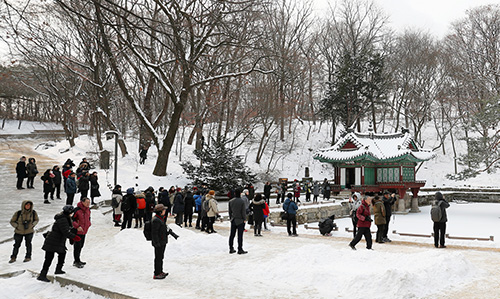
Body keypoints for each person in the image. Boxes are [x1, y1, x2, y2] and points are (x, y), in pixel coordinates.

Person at [37, 205, 80, 282]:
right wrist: (74, 237)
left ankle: (58, 270)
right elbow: (65, 231)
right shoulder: (63, 219)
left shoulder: (65, 218)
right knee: (49, 258)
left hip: (58, 240)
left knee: (62, 254)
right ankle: (42, 275)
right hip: (53, 240)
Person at [151, 204, 178, 279]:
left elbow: (162, 230)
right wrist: (156, 243)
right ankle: (156, 273)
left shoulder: (160, 218)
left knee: (160, 257)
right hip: (159, 242)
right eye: (163, 210)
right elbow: (155, 233)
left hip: (162, 241)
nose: (165, 211)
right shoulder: (156, 220)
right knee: (158, 258)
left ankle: (160, 271)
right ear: (160, 212)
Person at [72, 197, 91, 268]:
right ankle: (76, 261)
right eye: (86, 202)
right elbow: (72, 220)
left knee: (81, 246)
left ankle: (78, 259)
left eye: (89, 202)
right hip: (77, 231)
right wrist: (77, 226)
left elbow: (88, 218)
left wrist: (89, 224)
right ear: (82, 202)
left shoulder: (88, 210)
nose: (88, 204)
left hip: (84, 231)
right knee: (77, 246)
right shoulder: (77, 210)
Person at [228, 188, 247, 254]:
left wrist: (231, 218)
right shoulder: (242, 201)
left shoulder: (231, 201)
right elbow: (243, 211)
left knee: (232, 235)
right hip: (240, 220)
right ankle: (240, 249)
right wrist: (244, 219)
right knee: (240, 235)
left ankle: (231, 248)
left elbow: (230, 211)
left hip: (233, 219)